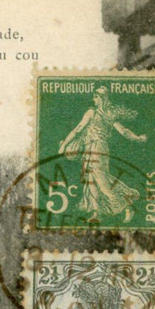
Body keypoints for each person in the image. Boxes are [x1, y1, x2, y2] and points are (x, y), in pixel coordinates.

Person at [59, 86, 147, 223]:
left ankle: (127, 206)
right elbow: (123, 131)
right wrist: (138, 138)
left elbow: (77, 130)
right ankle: (96, 212)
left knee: (102, 181)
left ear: (102, 98)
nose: (94, 98)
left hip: (97, 148)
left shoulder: (96, 113)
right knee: (90, 180)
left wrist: (64, 145)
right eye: (94, 95)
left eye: (96, 95)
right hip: (91, 148)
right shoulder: (105, 114)